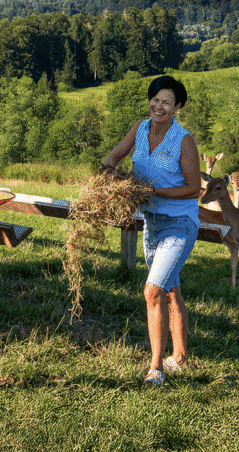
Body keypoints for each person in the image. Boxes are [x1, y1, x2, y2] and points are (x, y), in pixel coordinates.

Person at [100, 75, 201, 387]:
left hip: (180, 225)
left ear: (177, 107)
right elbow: (114, 157)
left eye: (167, 102)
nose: (159, 106)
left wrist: (153, 191)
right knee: (171, 291)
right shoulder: (139, 128)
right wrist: (106, 174)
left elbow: (193, 188)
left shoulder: (183, 141)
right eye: (155, 99)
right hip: (152, 224)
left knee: (152, 290)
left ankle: (156, 368)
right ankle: (180, 356)